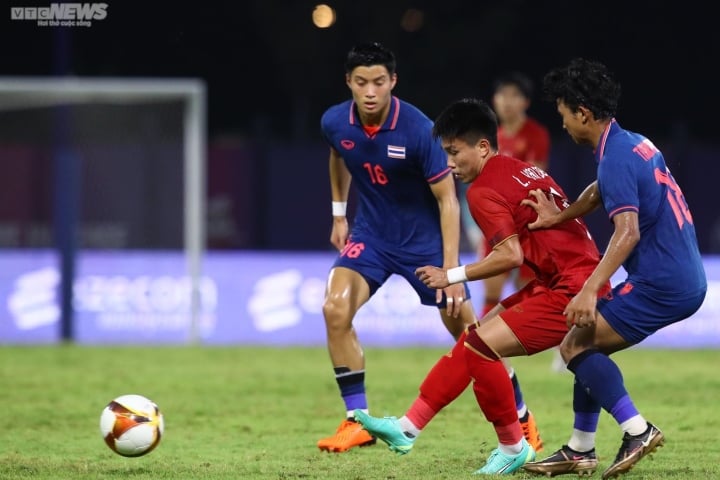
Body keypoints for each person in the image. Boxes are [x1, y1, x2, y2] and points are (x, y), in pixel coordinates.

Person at [353, 97, 610, 475]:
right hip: (570, 278)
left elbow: (510, 257)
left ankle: (513, 445)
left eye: (455, 153)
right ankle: (408, 427)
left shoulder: (481, 190)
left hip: (573, 289)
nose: (449, 164)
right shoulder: (520, 169)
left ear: (484, 147)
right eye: (445, 154)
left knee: (480, 346)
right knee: (474, 336)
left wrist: (450, 275)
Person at [316, 43, 540, 454]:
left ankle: (523, 420)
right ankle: (355, 421)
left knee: (475, 338)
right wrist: (338, 213)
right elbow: (337, 156)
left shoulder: (419, 130)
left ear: (393, 82)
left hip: (425, 246)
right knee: (335, 308)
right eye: (361, 82)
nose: (370, 91)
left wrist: (452, 272)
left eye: (379, 82)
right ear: (348, 81)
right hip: (372, 237)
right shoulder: (334, 122)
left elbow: (448, 200)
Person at [521, 58, 707, 479]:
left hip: (663, 283)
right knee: (586, 343)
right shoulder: (631, 143)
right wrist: (562, 215)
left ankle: (637, 430)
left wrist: (589, 289)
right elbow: (601, 190)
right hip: (680, 276)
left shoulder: (616, 158)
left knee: (573, 346)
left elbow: (628, 232)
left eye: (564, 114)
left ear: (583, 113)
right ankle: (580, 449)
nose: (564, 124)